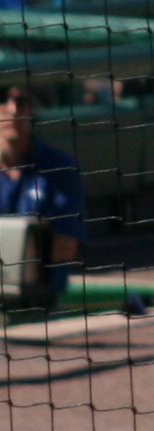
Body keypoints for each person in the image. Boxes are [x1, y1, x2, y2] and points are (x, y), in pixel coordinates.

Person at [0, 88, 89, 316]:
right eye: (3, 100)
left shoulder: (59, 166)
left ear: (32, 109)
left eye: (21, 101)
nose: (13, 110)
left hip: (39, 305)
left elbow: (67, 246)